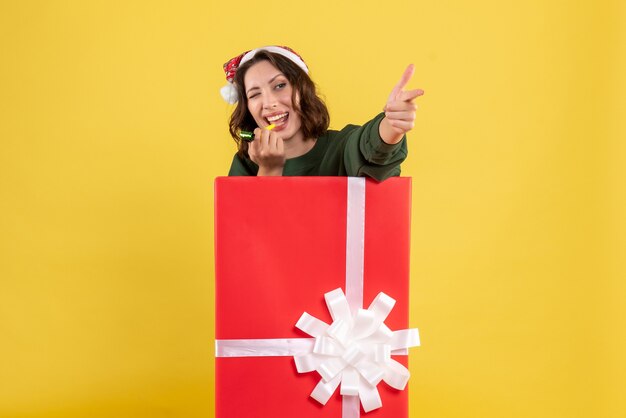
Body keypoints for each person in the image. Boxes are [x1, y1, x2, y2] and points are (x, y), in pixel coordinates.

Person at [221, 46, 423, 180]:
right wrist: (269, 170)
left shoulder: (341, 147)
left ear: (303, 89)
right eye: (255, 94)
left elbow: (370, 146)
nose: (270, 103)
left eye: (280, 85)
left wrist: (393, 124)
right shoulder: (245, 165)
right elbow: (246, 235)